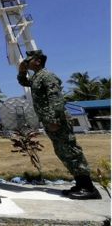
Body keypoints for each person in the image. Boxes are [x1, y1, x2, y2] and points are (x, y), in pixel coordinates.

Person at [18, 50, 101, 200]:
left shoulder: (47, 76)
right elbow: (25, 83)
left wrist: (53, 119)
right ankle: (80, 184)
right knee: (63, 152)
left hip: (57, 120)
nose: (26, 62)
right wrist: (21, 72)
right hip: (50, 120)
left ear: (37, 61)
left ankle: (89, 188)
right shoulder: (37, 77)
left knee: (71, 151)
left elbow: (55, 98)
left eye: (28, 60)